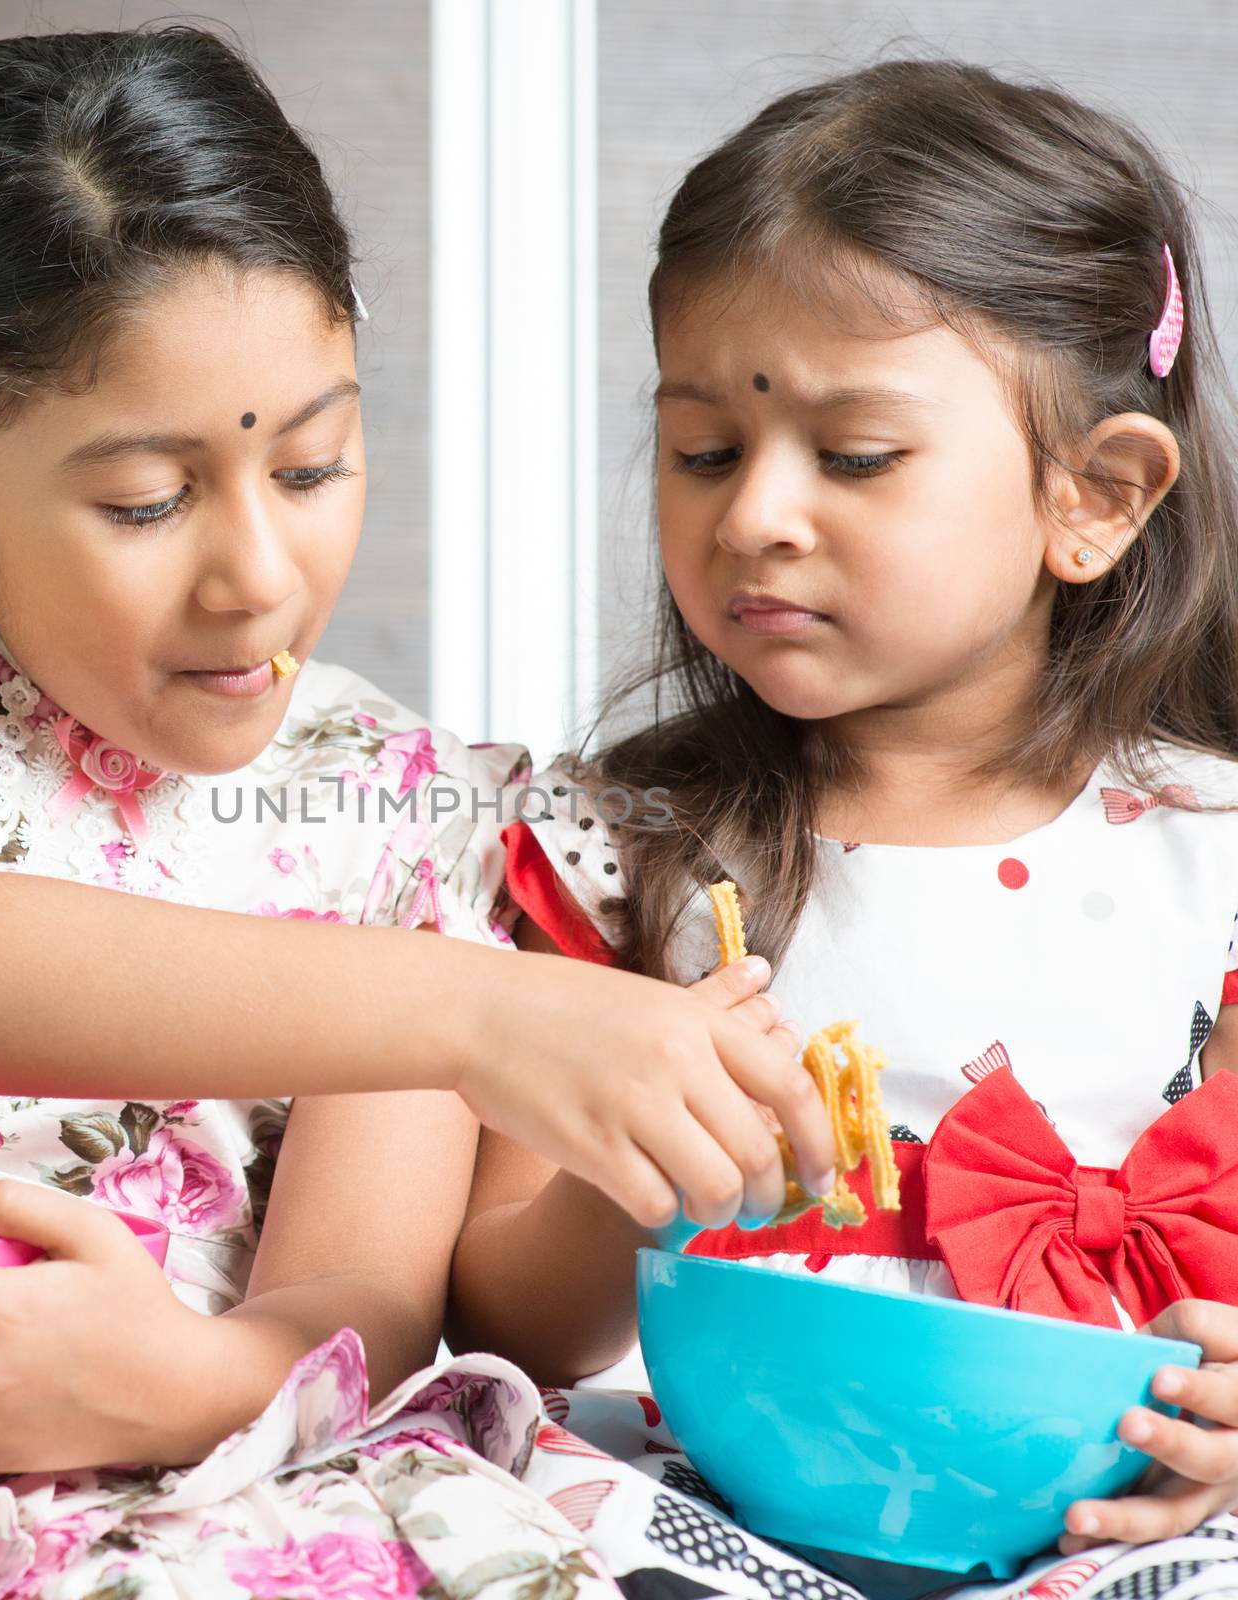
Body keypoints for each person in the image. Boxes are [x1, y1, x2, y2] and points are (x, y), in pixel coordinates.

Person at [0, 24, 825, 1595]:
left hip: (176, 1482)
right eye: (148, 499)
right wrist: (477, 1010)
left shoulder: (396, 813)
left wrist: (163, 1385)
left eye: (315, 465)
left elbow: (355, 1298)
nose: (258, 574)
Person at [449, 57, 1238, 1600]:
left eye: (856, 456)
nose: (755, 517)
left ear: (1098, 495)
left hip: (1119, 1522)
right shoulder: (618, 849)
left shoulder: (1211, 852)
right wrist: (645, 1152)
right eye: (705, 450)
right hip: (716, 1503)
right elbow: (505, 1329)